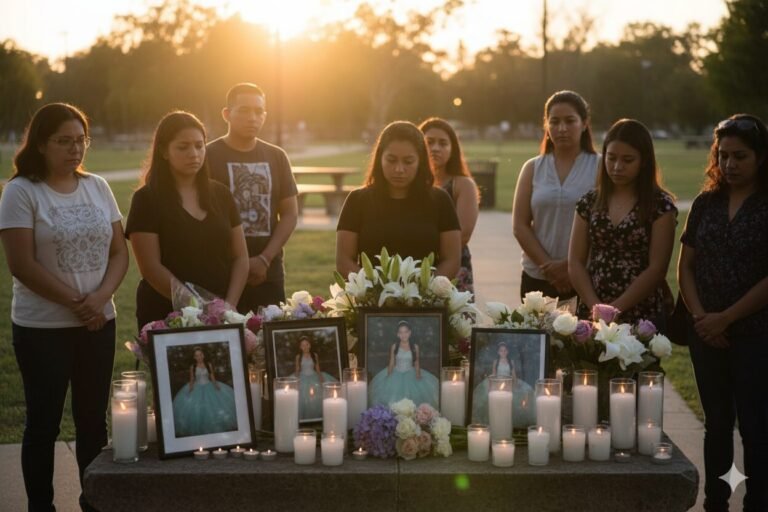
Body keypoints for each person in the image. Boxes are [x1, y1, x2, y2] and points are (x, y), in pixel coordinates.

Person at [0, 103, 128, 512]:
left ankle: (95, 503)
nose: (75, 150)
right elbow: (21, 264)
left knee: (93, 421)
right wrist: (79, 303)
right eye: (64, 141)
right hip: (43, 329)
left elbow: (119, 252)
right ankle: (42, 506)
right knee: (44, 423)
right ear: (41, 143)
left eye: (81, 141)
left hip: (98, 324)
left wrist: (100, 299)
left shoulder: (98, 186)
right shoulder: (22, 192)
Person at [678, 114, 768, 512]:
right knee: (716, 425)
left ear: (761, 158)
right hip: (706, 333)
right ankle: (716, 501)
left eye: (740, 156)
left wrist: (726, 317)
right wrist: (703, 319)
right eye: (723, 155)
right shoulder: (705, 203)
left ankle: (757, 500)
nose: (730, 164)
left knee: (754, 426)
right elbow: (685, 267)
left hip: (755, 332)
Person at [126, 111, 249, 329]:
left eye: (199, 146)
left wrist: (227, 307)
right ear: (164, 151)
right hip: (166, 315)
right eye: (183, 147)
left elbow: (240, 257)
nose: (194, 153)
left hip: (222, 314)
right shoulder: (146, 200)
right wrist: (197, 307)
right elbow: (151, 268)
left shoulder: (221, 194)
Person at [569, 118, 677, 326]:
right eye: (611, 158)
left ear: (644, 160)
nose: (617, 167)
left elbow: (657, 268)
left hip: (640, 311)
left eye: (628, 160)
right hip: (593, 308)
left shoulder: (660, 206)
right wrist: (596, 307)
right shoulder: (589, 201)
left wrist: (616, 308)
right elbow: (575, 261)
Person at [206, 83, 299, 313]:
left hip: (267, 274)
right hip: (220, 273)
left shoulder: (277, 156)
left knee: (266, 345)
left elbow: (289, 214)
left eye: (259, 112)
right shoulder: (207, 156)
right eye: (244, 110)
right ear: (226, 114)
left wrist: (265, 259)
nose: (253, 117)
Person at [336, 121, 461, 277]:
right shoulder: (357, 200)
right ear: (379, 158)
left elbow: (451, 259)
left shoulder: (440, 200)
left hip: (425, 297)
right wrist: (374, 288)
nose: (399, 169)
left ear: (420, 161)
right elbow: (344, 260)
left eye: (408, 162)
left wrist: (426, 289)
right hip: (370, 297)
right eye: (391, 160)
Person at [513, 91, 599, 300]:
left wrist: (570, 267)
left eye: (570, 121)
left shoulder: (600, 166)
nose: (562, 129)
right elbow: (520, 226)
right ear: (546, 125)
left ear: (584, 123)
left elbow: (602, 225)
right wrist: (548, 267)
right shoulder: (533, 167)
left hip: (585, 278)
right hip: (537, 278)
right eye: (555, 121)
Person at [419, 117, 479, 293]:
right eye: (429, 142)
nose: (436, 148)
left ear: (453, 149)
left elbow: (463, 234)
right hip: (414, 265)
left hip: (453, 270)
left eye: (443, 143)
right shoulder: (409, 185)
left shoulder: (462, 184)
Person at [370, 321, 440, 408]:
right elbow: (391, 362)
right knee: (393, 395)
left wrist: (418, 375)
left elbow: (416, 362)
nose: (404, 335)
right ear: (398, 334)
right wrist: (388, 376)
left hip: (410, 371)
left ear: (410, 333)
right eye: (401, 332)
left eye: (406, 332)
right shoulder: (394, 346)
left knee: (415, 395)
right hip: (397, 372)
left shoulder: (415, 347)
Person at [172, 346, 238, 437]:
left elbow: (212, 376)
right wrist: (190, 389)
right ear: (194, 357)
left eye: (200, 355)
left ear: (203, 355)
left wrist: (216, 385)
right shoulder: (193, 367)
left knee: (214, 406)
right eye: (196, 355)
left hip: (208, 385)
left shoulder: (208, 365)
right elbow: (191, 379)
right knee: (196, 408)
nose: (199, 357)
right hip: (197, 387)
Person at [470, 342, 535, 428]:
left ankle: (507, 422)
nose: (503, 352)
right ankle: (496, 419)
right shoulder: (496, 362)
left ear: (507, 352)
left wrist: (515, 384)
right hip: (498, 381)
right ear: (498, 352)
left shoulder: (511, 362)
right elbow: (494, 373)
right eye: (501, 351)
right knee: (489, 396)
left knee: (515, 397)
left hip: (508, 382)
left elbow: (513, 374)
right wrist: (491, 379)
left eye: (504, 351)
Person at [293, 336, 337, 420]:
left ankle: (317, 419)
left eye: (307, 344)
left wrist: (321, 380)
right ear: (300, 347)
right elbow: (297, 370)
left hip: (313, 376)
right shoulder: (298, 356)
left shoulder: (314, 355)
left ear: (310, 345)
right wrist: (296, 381)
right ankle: (305, 420)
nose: (305, 347)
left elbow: (317, 369)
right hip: (303, 377)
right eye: (303, 345)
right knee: (303, 398)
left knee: (316, 397)